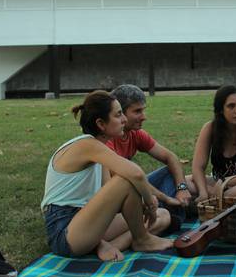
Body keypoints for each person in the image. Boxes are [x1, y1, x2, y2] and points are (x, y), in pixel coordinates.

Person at [41, 90, 173, 262]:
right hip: (64, 233)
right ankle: (141, 239)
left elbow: (110, 198)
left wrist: (140, 206)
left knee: (164, 216)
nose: (124, 120)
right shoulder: (86, 145)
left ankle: (111, 245)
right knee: (126, 179)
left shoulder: (99, 152)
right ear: (101, 124)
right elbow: (135, 174)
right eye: (118, 115)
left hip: (87, 222)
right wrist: (150, 203)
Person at [106, 85, 192, 223]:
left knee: (169, 172)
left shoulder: (136, 134)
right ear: (120, 112)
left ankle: (170, 214)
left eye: (143, 111)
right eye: (137, 111)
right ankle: (170, 215)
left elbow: (170, 158)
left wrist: (182, 188)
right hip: (116, 196)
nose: (143, 117)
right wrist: (165, 197)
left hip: (134, 187)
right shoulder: (106, 139)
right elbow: (130, 180)